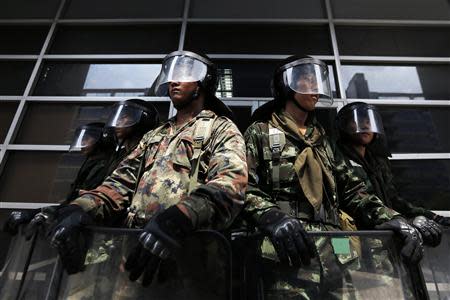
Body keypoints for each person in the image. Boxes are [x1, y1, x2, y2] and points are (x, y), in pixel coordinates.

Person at [48, 50, 248, 285]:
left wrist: (179, 219)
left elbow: (230, 185)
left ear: (204, 81)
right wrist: (80, 208)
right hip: (135, 250)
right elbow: (120, 183)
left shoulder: (221, 128)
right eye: (172, 74)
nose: (174, 80)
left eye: (184, 74)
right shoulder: (155, 135)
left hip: (189, 258)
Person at [243, 55, 424, 299]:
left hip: (337, 249)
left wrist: (393, 218)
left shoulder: (323, 140)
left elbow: (351, 189)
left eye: (317, 82)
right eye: (306, 81)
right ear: (286, 86)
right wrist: (271, 217)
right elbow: (243, 186)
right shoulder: (260, 132)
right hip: (289, 249)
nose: (315, 88)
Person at [335, 102, 445, 247]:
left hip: (382, 238)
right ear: (344, 126)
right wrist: (398, 220)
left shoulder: (377, 161)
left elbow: (393, 199)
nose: (366, 125)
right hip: (349, 238)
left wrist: (432, 216)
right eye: (359, 121)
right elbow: (356, 197)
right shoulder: (335, 157)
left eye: (369, 121)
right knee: (345, 269)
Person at [2, 122, 115, 236]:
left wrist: (38, 213)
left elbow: (80, 205)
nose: (82, 144)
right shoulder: (91, 163)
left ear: (102, 140)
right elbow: (71, 203)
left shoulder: (104, 166)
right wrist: (33, 213)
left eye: (87, 139)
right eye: (82, 139)